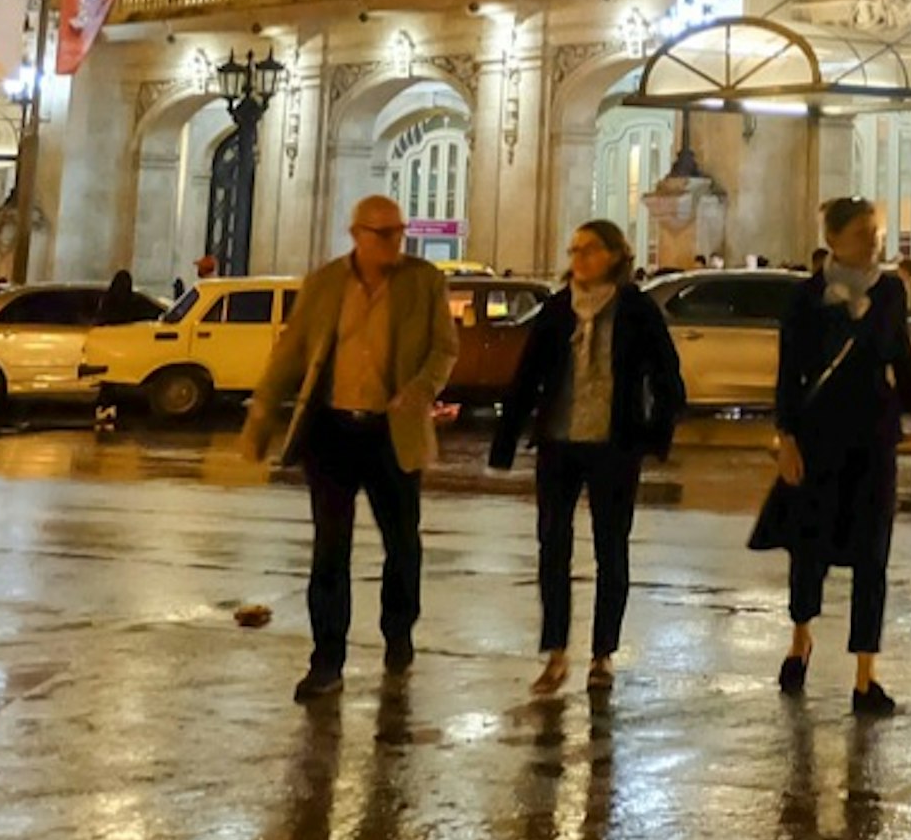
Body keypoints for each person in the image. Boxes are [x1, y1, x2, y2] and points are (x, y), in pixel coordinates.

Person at [243, 195, 458, 703]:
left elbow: (444, 347)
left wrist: (423, 387)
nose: (392, 243)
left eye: (398, 233)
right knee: (329, 550)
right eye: (382, 234)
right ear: (357, 233)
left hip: (393, 431)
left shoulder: (424, 281)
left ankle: (398, 631)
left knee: (402, 544)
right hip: (332, 431)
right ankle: (326, 660)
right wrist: (262, 414)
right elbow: (291, 352)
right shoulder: (324, 284)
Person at [491, 218, 686, 697]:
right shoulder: (557, 310)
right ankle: (555, 651)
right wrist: (506, 440)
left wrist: (654, 436)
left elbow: (668, 379)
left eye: (590, 249)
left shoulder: (637, 310)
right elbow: (526, 377)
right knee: (552, 548)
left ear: (616, 255)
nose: (579, 257)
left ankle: (602, 654)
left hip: (613, 445)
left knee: (610, 549)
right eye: (574, 249)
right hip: (560, 442)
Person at [771, 196, 911, 716]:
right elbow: (788, 371)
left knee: (873, 555)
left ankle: (865, 676)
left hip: (874, 436)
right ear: (835, 239)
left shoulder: (890, 290)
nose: (874, 242)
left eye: (877, 232)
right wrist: (786, 439)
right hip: (818, 435)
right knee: (809, 551)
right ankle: (800, 637)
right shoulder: (807, 298)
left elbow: (902, 357)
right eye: (864, 234)